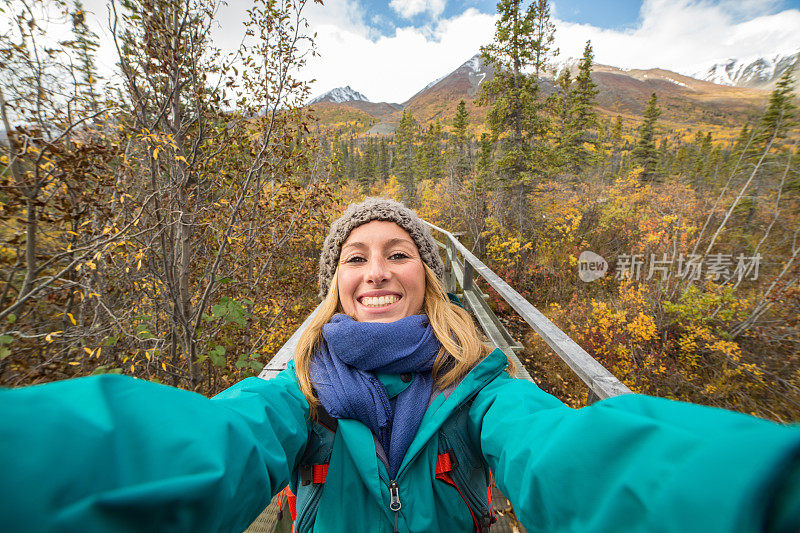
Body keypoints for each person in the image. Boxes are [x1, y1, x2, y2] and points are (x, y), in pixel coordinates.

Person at [1, 197, 799, 532]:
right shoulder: (298, 392)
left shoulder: (482, 386)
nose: (376, 270)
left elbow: (566, 452)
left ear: (431, 273)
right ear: (336, 287)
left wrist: (755, 496)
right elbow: (214, 442)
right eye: (355, 257)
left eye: (398, 253)